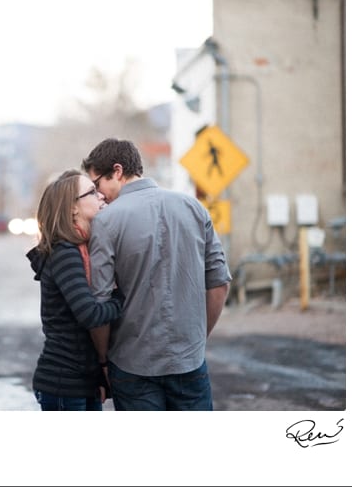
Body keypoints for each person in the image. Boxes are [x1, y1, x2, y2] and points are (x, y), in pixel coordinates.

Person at [81, 138, 231, 410]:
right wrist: (196, 340)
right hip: (189, 361)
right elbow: (219, 284)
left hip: (132, 364)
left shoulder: (106, 221)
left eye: (97, 184)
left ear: (117, 171)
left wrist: (103, 359)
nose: (99, 194)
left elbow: (100, 301)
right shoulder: (194, 207)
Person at [26, 169, 125, 411]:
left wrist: (97, 377)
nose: (100, 196)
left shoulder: (83, 249)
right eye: (92, 192)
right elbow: (89, 314)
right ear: (73, 208)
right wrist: (123, 298)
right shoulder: (65, 253)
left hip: (83, 380)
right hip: (63, 383)